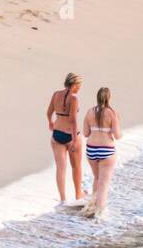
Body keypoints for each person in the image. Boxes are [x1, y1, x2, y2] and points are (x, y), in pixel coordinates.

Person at [82, 87, 122, 220]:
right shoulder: (112, 113)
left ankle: (92, 207)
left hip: (91, 149)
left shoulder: (89, 112)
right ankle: (100, 213)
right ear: (109, 98)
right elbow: (118, 135)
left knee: (97, 178)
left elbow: (86, 133)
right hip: (106, 150)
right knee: (104, 183)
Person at [46, 72, 86, 205]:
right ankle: (78, 195)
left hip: (57, 134)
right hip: (71, 135)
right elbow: (73, 120)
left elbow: (49, 112)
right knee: (76, 167)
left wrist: (51, 123)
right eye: (79, 85)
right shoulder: (74, 98)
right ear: (74, 84)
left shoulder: (56, 94)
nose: (80, 87)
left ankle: (63, 200)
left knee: (60, 169)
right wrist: (74, 140)